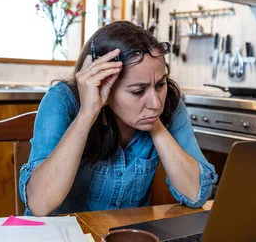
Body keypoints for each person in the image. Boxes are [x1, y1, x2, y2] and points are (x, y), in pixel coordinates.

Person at [19, 21, 217, 216]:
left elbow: (195, 194)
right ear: (104, 84)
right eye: (138, 91)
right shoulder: (60, 101)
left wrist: (155, 124)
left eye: (160, 84)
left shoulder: (168, 104)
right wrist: (87, 114)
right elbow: (39, 205)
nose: (156, 103)